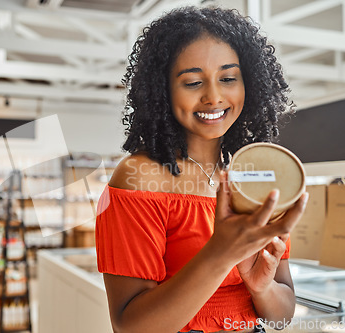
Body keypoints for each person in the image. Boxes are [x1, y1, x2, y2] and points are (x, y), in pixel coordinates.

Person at [95, 6, 309, 333]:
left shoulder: (256, 174)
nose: (214, 96)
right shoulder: (139, 177)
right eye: (193, 82)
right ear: (163, 91)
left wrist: (261, 286)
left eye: (227, 78)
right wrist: (221, 255)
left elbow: (281, 316)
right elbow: (130, 326)